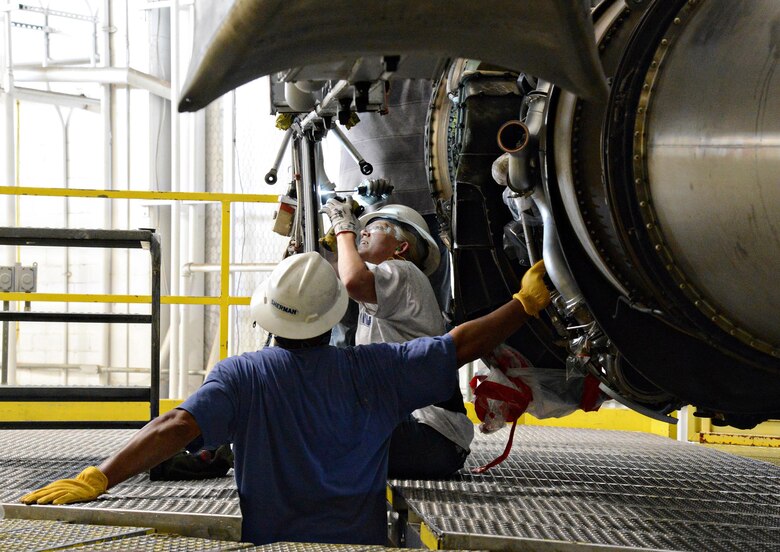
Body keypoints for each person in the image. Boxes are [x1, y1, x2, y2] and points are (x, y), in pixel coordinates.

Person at [20, 252, 550, 546]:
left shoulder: (242, 376)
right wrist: (524, 304)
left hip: (268, 542)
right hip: (360, 544)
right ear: (333, 315)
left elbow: (175, 428)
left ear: (267, 314)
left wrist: (99, 477)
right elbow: (460, 344)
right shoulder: (379, 371)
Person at [322, 198, 472, 479]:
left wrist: (344, 228)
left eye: (375, 227)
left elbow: (352, 280)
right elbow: (335, 281)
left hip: (429, 434)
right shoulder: (387, 288)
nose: (363, 232)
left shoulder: (404, 271)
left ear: (401, 248)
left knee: (312, 432)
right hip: (423, 437)